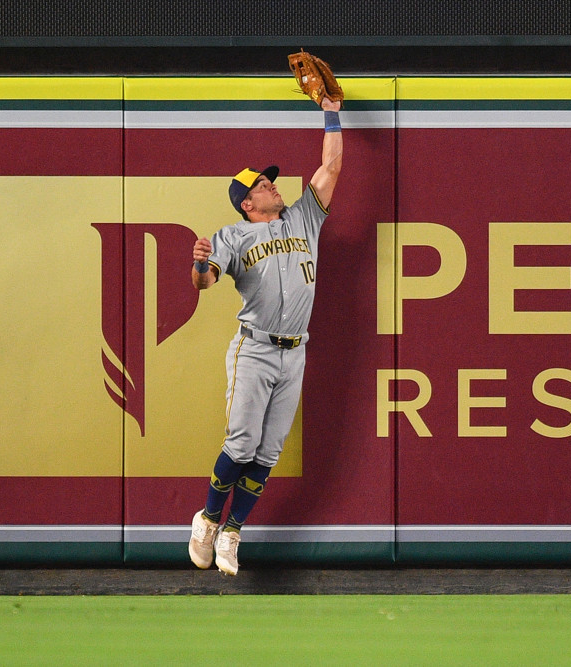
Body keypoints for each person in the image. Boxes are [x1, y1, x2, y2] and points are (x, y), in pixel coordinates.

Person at [187, 95, 343, 575]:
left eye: (270, 180)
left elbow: (331, 166)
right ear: (247, 202)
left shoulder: (303, 218)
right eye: (262, 183)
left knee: (268, 452)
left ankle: (233, 532)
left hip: (295, 351)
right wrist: (197, 265)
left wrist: (331, 110)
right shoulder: (233, 235)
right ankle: (209, 519)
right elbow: (207, 281)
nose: (272, 184)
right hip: (254, 349)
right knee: (241, 445)